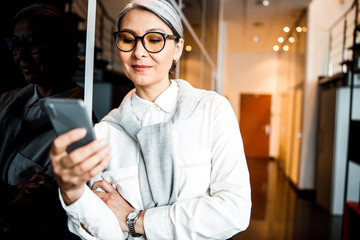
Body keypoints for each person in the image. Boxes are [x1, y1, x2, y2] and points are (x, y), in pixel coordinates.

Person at [49, 0, 251, 239]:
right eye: (128, 39)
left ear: (177, 48)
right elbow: (107, 234)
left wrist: (136, 219)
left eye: (155, 40)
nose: (139, 52)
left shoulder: (211, 110)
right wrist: (73, 193)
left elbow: (233, 212)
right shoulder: (105, 133)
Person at [0, 4, 85, 240]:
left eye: (32, 43)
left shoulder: (76, 123)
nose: (20, 54)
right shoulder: (8, 101)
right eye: (15, 44)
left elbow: (44, 212)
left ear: (62, 48)